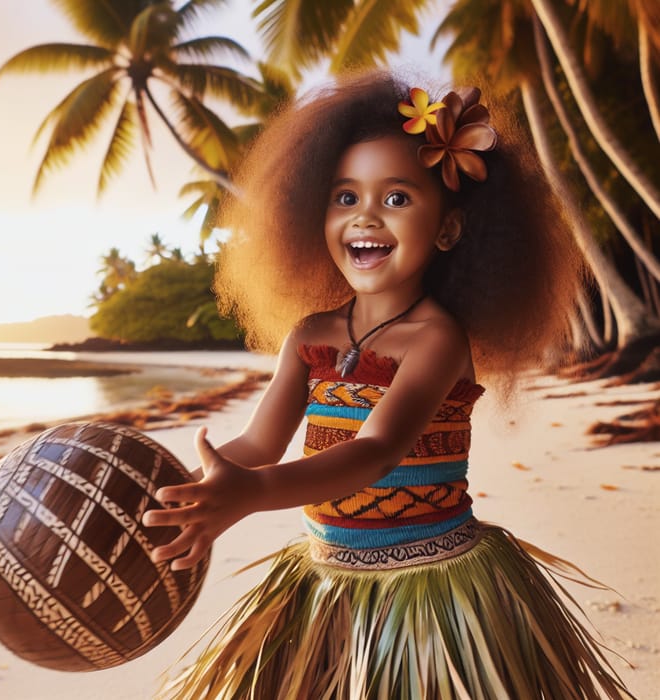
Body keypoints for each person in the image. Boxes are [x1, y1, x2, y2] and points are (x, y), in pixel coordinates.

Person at [143, 70, 634, 699]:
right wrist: (191, 488)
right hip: (327, 583)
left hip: (433, 593)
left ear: (449, 228)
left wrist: (254, 494)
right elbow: (257, 444)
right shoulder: (310, 335)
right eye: (344, 197)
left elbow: (375, 452)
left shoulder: (437, 339)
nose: (365, 217)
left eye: (396, 198)